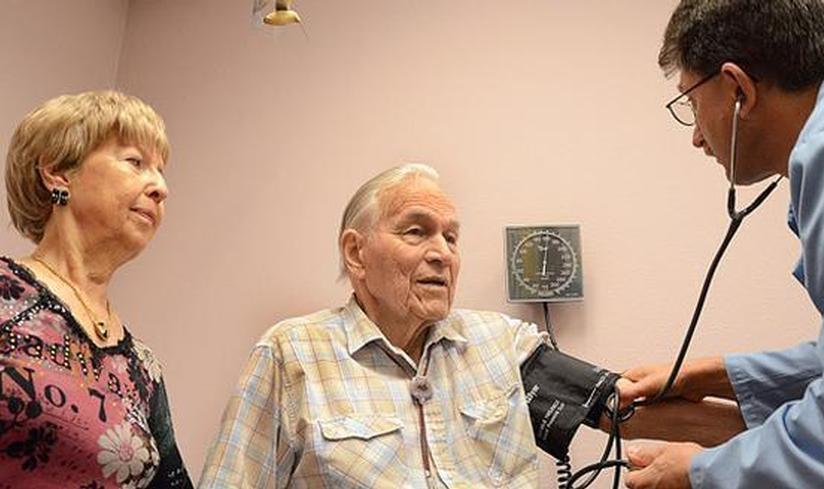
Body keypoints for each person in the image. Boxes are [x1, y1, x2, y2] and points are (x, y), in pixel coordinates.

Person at [617, 1, 824, 488]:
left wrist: (701, 471)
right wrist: (720, 374)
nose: (697, 139)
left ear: (737, 89)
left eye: (689, 101)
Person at [199, 164, 623, 488]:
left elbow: (622, 406)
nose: (442, 253)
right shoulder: (292, 354)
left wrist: (692, 451)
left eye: (452, 238)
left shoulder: (500, 343)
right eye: (417, 232)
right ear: (356, 253)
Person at [1, 91, 193, 488]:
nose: (161, 187)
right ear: (57, 173)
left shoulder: (142, 367)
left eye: (161, 170)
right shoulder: (6, 296)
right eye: (135, 162)